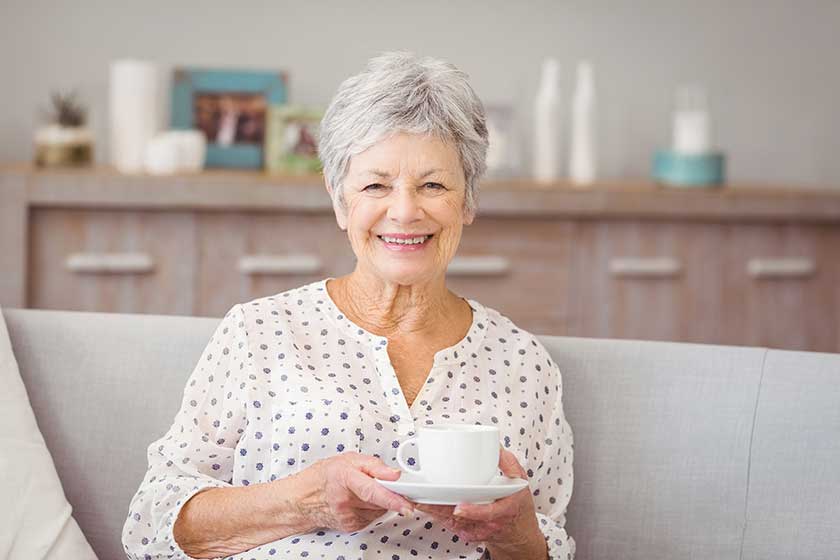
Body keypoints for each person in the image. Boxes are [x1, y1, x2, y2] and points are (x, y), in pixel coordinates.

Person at [122, 51, 575, 560]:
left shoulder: (524, 364)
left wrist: (518, 535)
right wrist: (306, 502)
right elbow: (153, 524)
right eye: (376, 185)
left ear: (467, 200)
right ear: (340, 201)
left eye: (433, 185)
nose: (404, 211)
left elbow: (551, 539)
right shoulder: (260, 331)